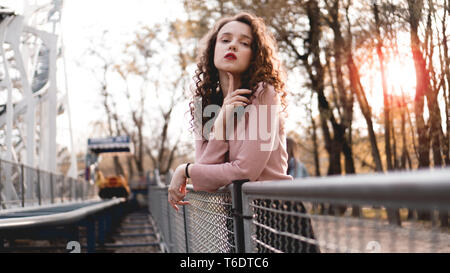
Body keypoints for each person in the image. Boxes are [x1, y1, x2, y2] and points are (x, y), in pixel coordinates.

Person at [168, 12, 291, 211]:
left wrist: (185, 170)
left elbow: (245, 171)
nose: (232, 45)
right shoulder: (206, 105)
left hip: (274, 213)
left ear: (254, 55)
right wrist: (221, 123)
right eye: (225, 40)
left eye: (244, 43)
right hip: (235, 215)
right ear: (213, 49)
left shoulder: (263, 94)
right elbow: (205, 181)